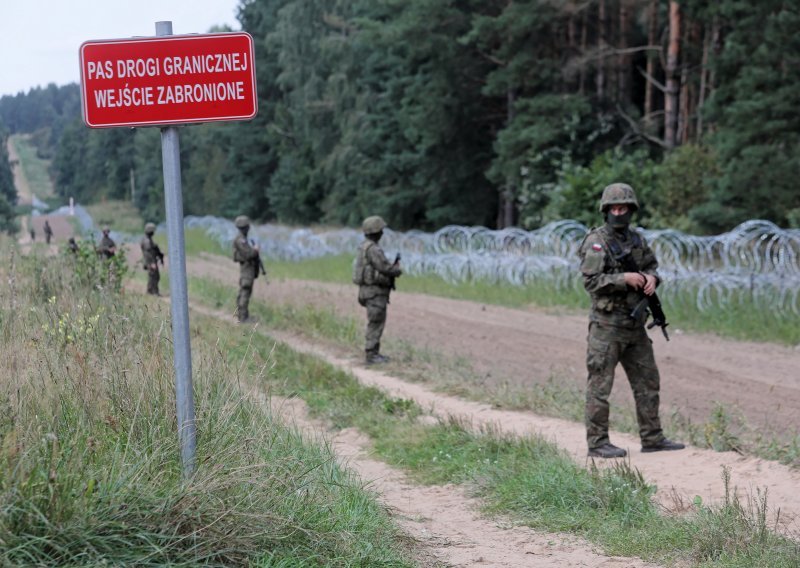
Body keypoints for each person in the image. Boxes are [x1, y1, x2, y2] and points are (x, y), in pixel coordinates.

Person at [578, 183, 685, 458]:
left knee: (648, 382)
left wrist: (652, 279)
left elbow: (651, 266)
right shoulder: (596, 242)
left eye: (623, 207)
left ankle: (653, 438)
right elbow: (591, 282)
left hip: (635, 325)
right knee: (600, 385)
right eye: (614, 208)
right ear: (606, 210)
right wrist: (623, 279)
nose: (618, 212)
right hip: (607, 325)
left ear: (631, 210)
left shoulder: (637, 240)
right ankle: (598, 442)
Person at [352, 215, 402, 364]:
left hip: (366, 291)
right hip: (375, 292)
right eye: (381, 230)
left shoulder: (363, 247)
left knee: (374, 321)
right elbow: (384, 267)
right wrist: (396, 270)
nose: (382, 233)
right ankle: (372, 354)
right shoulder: (373, 249)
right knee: (376, 322)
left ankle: (373, 352)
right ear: (376, 232)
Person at [232, 215, 262, 322]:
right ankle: (243, 317)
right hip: (247, 270)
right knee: (245, 291)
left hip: (247, 269)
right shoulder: (241, 240)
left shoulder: (242, 239)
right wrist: (256, 250)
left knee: (244, 292)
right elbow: (248, 254)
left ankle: (242, 315)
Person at [140, 222, 164, 296]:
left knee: (154, 276)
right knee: (153, 276)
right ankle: (152, 291)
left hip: (151, 261)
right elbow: (148, 254)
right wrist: (152, 263)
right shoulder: (147, 241)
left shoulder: (148, 240)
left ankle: (152, 291)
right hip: (150, 261)